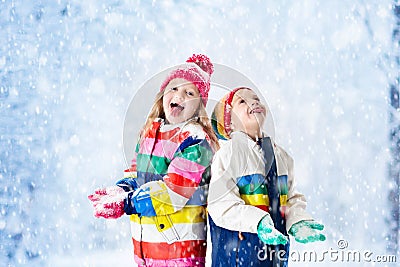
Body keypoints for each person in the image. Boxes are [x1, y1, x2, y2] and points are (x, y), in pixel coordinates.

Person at [88, 54, 219, 267]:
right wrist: (122, 190)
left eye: (189, 92)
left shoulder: (196, 141)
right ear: (163, 94)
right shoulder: (150, 133)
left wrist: (128, 202)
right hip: (146, 249)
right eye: (174, 88)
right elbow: (135, 175)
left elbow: (173, 193)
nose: (180, 95)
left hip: (180, 252)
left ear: (198, 105)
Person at [207, 87, 325, 267]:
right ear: (228, 123)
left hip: (275, 257)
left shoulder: (281, 156)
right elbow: (220, 205)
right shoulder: (228, 154)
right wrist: (258, 221)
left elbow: (290, 199)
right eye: (242, 101)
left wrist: (297, 220)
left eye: (256, 98)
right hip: (238, 257)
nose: (253, 102)